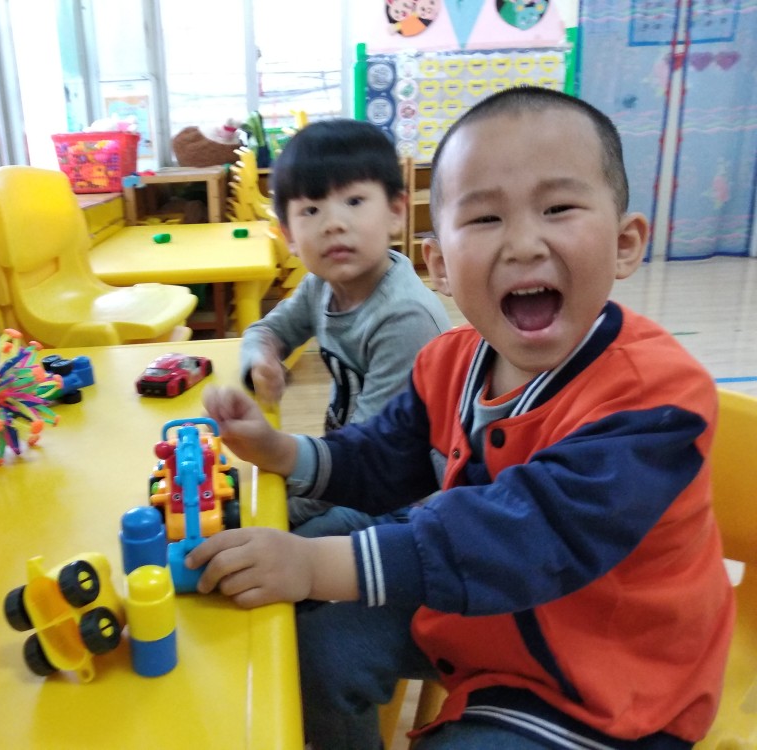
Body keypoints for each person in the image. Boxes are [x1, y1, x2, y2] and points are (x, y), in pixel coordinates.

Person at [188, 86, 735, 749]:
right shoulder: (447, 362)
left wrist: (310, 564)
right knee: (319, 654)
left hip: (608, 685)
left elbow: (518, 536)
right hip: (476, 616)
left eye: (558, 208)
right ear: (440, 264)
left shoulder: (659, 400)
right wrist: (278, 450)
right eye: (484, 218)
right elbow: (380, 458)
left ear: (625, 243)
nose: (523, 243)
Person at [240, 118, 451, 536]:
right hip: (347, 472)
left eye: (354, 201)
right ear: (289, 235)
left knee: (275, 544)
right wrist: (260, 359)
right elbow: (264, 331)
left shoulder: (403, 319)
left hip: (402, 504)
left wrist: (284, 512)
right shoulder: (319, 286)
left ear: (395, 212)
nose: (333, 223)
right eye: (311, 210)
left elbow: (368, 461)